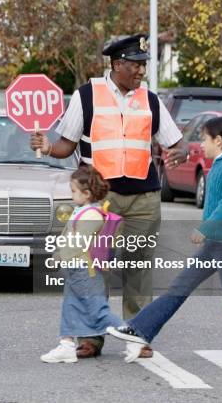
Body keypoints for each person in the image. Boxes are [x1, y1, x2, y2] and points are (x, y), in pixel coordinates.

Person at [30, 34, 188, 358]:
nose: (141, 71)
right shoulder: (86, 96)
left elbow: (175, 142)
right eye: (135, 65)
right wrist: (48, 147)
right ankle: (91, 336)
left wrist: (180, 154)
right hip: (101, 199)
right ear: (117, 64)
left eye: (143, 65)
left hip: (143, 198)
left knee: (139, 266)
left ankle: (138, 334)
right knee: (91, 267)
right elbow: (67, 143)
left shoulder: (151, 100)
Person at [108, 116, 222, 372]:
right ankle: (140, 328)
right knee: (179, 287)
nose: (201, 144)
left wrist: (205, 227)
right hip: (219, 242)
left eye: (204, 138)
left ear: (218, 141)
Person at [41, 164, 124, 363]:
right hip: (76, 269)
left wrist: (59, 258)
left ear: (86, 193)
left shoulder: (92, 215)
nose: (71, 195)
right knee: (70, 306)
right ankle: (67, 344)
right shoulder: (83, 210)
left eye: (74, 191)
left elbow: (76, 245)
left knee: (97, 310)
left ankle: (135, 333)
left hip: (83, 271)